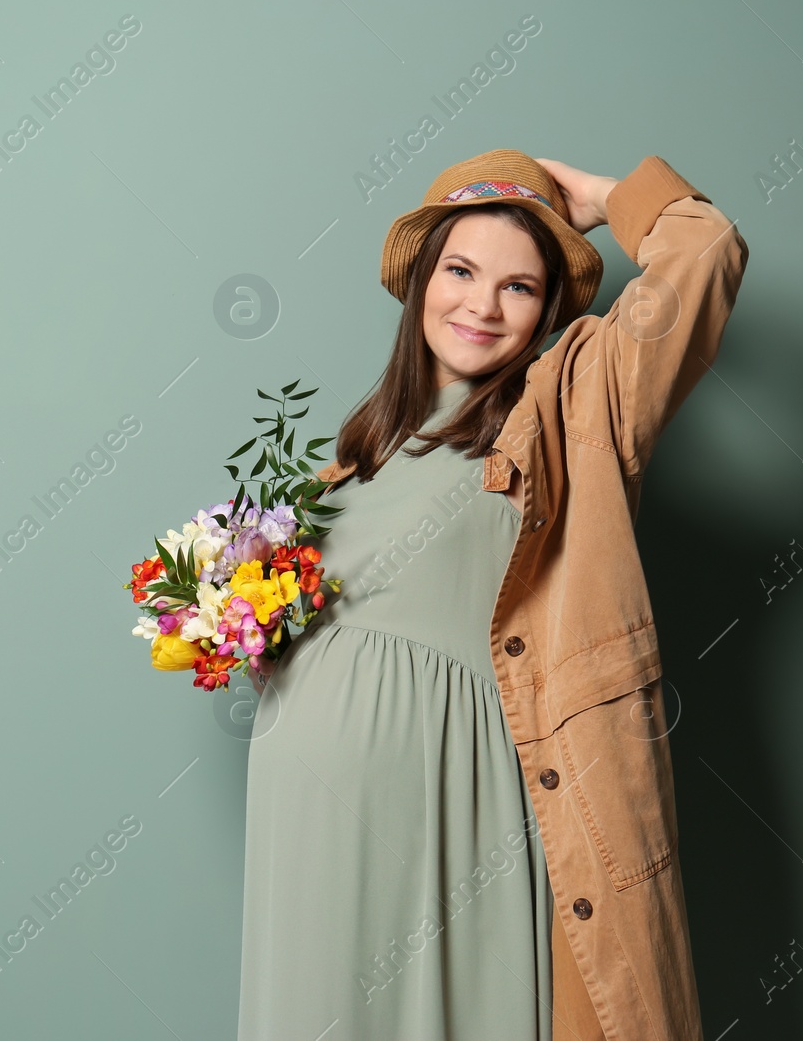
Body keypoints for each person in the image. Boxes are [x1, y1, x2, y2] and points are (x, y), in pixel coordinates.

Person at [237, 150, 750, 1040]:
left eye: (519, 286)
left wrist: (593, 196)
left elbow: (706, 253)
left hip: (455, 814)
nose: (480, 305)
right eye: (461, 271)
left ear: (550, 309)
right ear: (421, 282)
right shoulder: (350, 458)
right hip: (311, 829)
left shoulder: (572, 409)